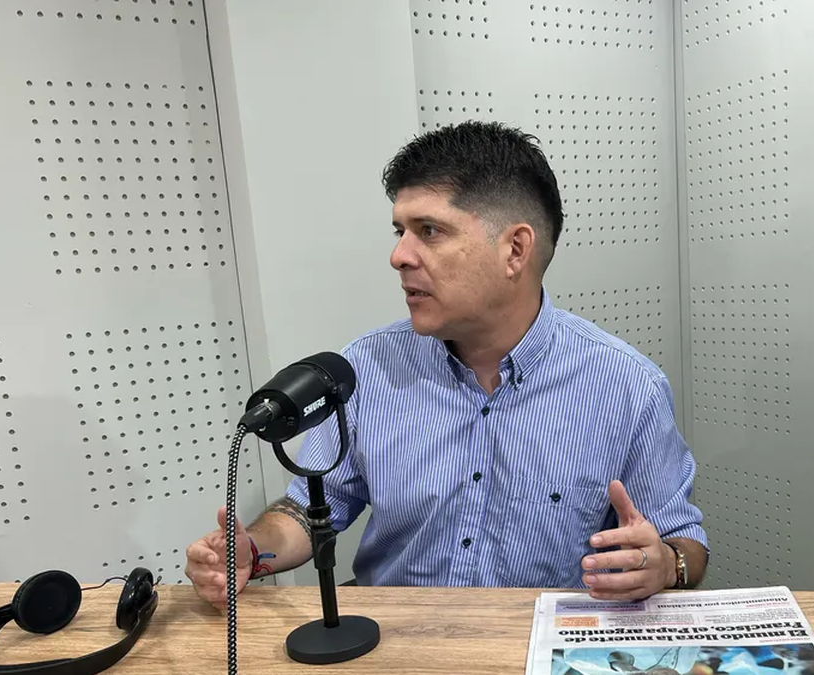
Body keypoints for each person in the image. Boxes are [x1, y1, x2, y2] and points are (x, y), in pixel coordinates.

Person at [185, 120, 709, 608]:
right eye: (399, 231)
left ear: (515, 249)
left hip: (542, 643)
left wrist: (666, 564)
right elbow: (308, 509)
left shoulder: (625, 385)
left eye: (430, 230)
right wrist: (253, 550)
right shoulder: (366, 367)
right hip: (399, 641)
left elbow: (684, 543)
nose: (400, 256)